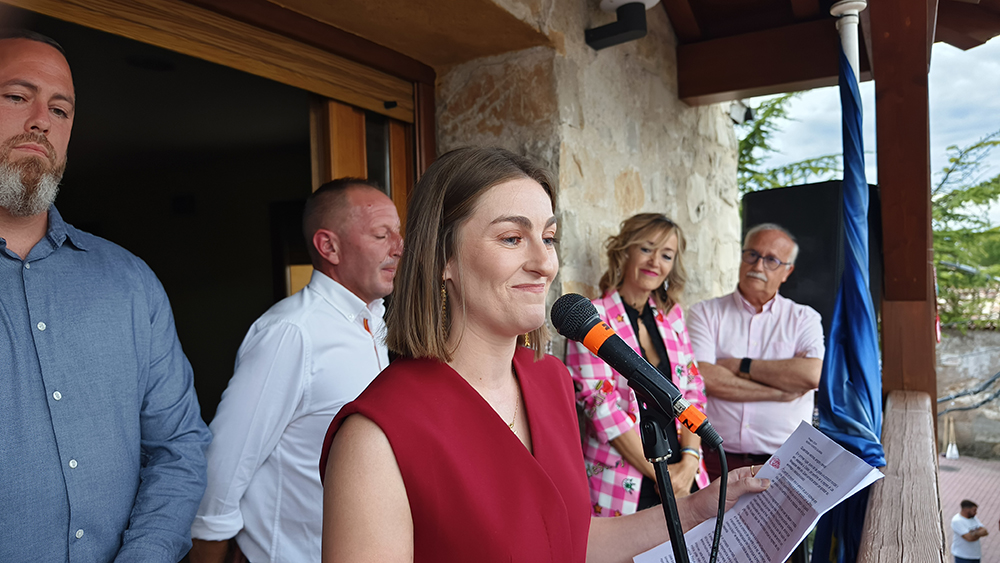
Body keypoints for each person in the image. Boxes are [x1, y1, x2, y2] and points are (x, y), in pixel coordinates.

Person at [318, 147, 770, 562]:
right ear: (442, 259)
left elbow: (571, 542)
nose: (545, 263)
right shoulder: (375, 436)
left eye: (548, 237)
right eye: (512, 238)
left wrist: (696, 510)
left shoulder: (549, 378)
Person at [0, 30, 211, 562]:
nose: (41, 121)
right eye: (17, 96)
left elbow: (178, 446)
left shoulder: (130, 282)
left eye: (60, 109)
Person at [189, 179, 402, 562]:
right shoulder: (291, 333)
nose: (399, 247)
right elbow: (224, 464)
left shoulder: (375, 324)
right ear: (328, 246)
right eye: (381, 234)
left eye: (398, 233)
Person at [565, 213, 709, 518]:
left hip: (684, 475)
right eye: (646, 249)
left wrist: (690, 461)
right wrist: (662, 475)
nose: (655, 261)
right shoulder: (593, 319)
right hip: (625, 480)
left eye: (666, 255)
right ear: (625, 251)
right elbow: (600, 406)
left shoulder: (672, 317)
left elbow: (693, 392)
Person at [686, 223, 824, 483]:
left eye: (771, 260)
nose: (758, 266)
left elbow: (811, 375)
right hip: (714, 459)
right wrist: (780, 392)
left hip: (783, 462)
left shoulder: (804, 319)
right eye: (752, 254)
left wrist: (740, 365)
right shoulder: (704, 313)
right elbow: (702, 378)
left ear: (787, 271)